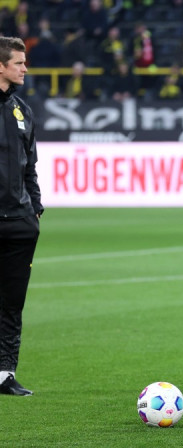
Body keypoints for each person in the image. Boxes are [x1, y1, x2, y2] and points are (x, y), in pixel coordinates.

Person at [0, 36, 44, 396]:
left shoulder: (22, 111)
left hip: (19, 223)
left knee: (12, 305)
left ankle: (4, 374)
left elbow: (30, 168)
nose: (25, 68)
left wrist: (35, 210)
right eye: (18, 62)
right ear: (0, 66)